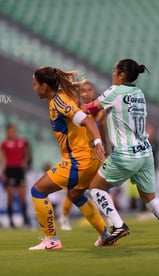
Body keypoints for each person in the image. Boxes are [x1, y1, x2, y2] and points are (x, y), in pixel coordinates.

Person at [86, 58, 159, 245]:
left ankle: (117, 224)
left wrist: (73, 107)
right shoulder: (139, 93)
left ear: (122, 75)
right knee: (150, 198)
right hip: (145, 152)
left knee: (96, 188)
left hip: (126, 154)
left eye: (115, 71)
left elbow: (89, 109)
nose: (112, 74)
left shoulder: (114, 91)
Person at [29, 66, 109, 250]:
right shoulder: (61, 99)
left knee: (38, 191)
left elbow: (88, 120)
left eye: (35, 85)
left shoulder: (60, 103)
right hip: (89, 160)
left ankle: (51, 240)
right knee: (74, 194)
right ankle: (105, 235)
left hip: (78, 162)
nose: (33, 89)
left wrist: (99, 143)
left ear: (44, 86)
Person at [57, 80, 110, 231]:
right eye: (83, 90)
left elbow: (103, 134)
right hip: (79, 155)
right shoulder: (76, 110)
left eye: (90, 90)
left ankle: (111, 220)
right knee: (75, 189)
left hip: (96, 154)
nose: (87, 93)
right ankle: (64, 217)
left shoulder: (100, 112)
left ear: (94, 92)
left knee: (102, 187)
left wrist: (105, 152)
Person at [0, 123, 30, 228]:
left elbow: (26, 153)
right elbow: (1, 158)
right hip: (10, 170)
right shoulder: (4, 144)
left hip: (20, 171)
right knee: (10, 196)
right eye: (9, 131)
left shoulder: (21, 142)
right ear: (7, 132)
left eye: (13, 131)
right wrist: (2, 172)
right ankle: (11, 221)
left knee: (22, 196)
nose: (11, 133)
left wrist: (24, 162)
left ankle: (25, 219)